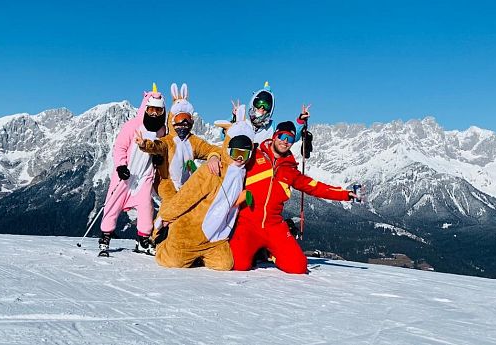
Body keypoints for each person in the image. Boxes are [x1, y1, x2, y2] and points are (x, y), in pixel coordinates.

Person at [229, 121, 361, 274]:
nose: (285, 141)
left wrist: (345, 194)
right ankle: (258, 251)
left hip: (274, 225)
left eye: (290, 139)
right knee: (238, 265)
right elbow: (228, 160)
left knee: (298, 267)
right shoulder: (253, 154)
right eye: (282, 136)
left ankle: (269, 252)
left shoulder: (290, 169)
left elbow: (315, 187)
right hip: (247, 224)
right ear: (274, 136)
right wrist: (213, 157)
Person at [154, 113, 256, 270]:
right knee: (172, 262)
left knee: (225, 264)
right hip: (190, 232)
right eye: (236, 153)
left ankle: (200, 255)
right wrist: (166, 217)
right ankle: (163, 244)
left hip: (216, 237)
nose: (240, 158)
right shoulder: (212, 170)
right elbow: (187, 196)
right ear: (228, 149)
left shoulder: (241, 172)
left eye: (245, 154)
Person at [134, 83, 222, 243]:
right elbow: (157, 146)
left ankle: (182, 238)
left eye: (187, 120)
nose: (183, 125)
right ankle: (155, 237)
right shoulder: (168, 140)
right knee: (170, 204)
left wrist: (214, 156)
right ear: (172, 120)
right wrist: (144, 144)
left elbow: (211, 149)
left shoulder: (194, 141)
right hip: (166, 181)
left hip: (185, 184)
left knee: (190, 207)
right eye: (179, 120)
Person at [99, 83, 167, 255]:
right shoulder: (132, 125)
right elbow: (120, 147)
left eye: (158, 111)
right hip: (126, 175)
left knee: (146, 207)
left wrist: (158, 158)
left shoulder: (161, 130)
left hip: (144, 176)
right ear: (145, 108)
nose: (154, 114)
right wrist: (121, 165)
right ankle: (105, 235)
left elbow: (161, 148)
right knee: (113, 203)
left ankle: (143, 239)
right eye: (151, 109)